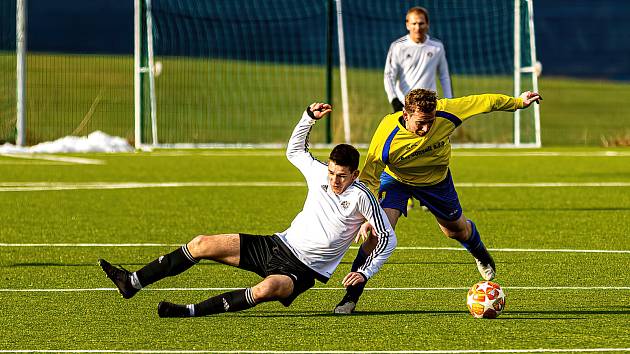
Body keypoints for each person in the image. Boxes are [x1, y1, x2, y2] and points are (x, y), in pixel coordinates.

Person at [98, 102, 397, 318]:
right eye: (332, 172)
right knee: (201, 243)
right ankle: (132, 282)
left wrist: (365, 272)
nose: (334, 180)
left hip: (303, 271)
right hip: (276, 244)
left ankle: (188, 312)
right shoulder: (320, 173)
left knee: (266, 289)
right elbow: (294, 151)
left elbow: (387, 238)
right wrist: (307, 118)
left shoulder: (362, 197)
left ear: (355, 175)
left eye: (342, 175)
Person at [334, 88, 542, 314]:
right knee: (376, 234)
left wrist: (518, 102)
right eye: (420, 123)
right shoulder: (386, 134)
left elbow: (484, 102)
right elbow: (370, 178)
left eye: (430, 122)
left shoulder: (447, 112)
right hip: (397, 180)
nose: (426, 129)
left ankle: (481, 254)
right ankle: (351, 297)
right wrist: (369, 216)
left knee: (455, 231)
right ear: (406, 115)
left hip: (436, 182)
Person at [384, 6, 453, 113]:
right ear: (407, 25)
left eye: (421, 23)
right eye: (414, 23)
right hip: (405, 105)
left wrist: (449, 100)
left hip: (430, 104)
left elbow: (444, 76)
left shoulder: (437, 47)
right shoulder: (398, 46)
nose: (417, 27)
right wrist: (394, 100)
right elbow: (389, 76)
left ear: (427, 24)